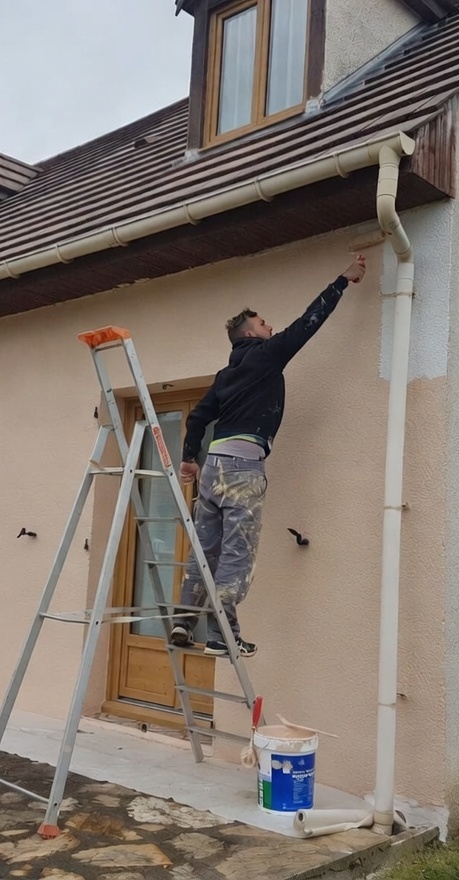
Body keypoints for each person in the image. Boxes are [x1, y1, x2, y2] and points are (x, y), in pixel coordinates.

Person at [170, 255, 368, 657]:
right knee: (236, 554)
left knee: (206, 549)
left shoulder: (225, 376)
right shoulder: (266, 355)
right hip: (243, 469)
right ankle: (219, 635)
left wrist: (190, 458)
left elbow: (199, 417)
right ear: (250, 334)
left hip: (212, 470)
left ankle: (183, 620)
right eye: (263, 325)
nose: (271, 328)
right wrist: (342, 280)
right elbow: (306, 324)